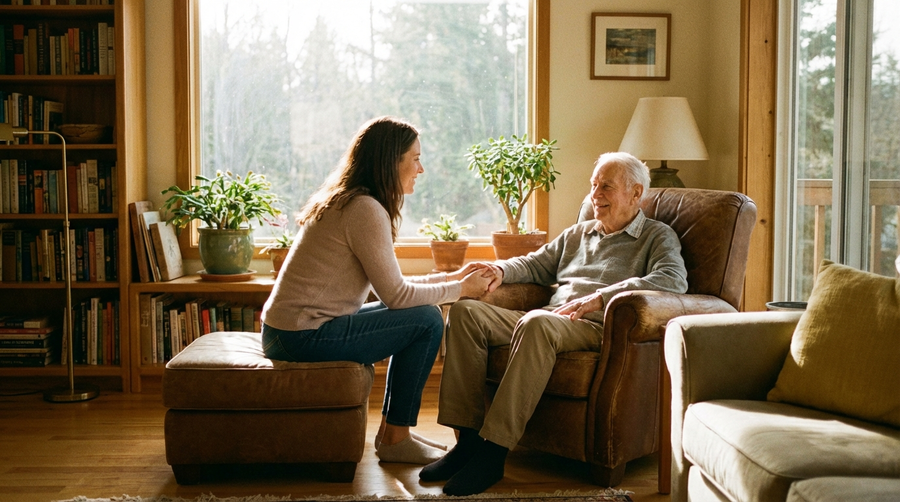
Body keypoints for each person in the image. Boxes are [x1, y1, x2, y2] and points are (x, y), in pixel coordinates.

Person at [419, 151, 689, 495]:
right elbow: (535, 264)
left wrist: (601, 297)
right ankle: (467, 442)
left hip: (596, 327)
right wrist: (499, 269)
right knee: (466, 313)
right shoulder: (578, 234)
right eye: (593, 185)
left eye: (606, 187)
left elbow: (672, 280)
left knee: (537, 323)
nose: (595, 195)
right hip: (552, 319)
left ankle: (494, 452)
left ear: (636, 193)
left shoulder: (657, 236)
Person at [261, 116, 493, 465]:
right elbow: (397, 297)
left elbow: (395, 287)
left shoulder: (353, 201)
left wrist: (453, 277)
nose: (421, 169)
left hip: (286, 332)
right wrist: (461, 288)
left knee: (422, 315)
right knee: (427, 321)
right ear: (390, 161)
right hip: (300, 336)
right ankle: (395, 438)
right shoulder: (364, 209)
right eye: (415, 159)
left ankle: (391, 435)